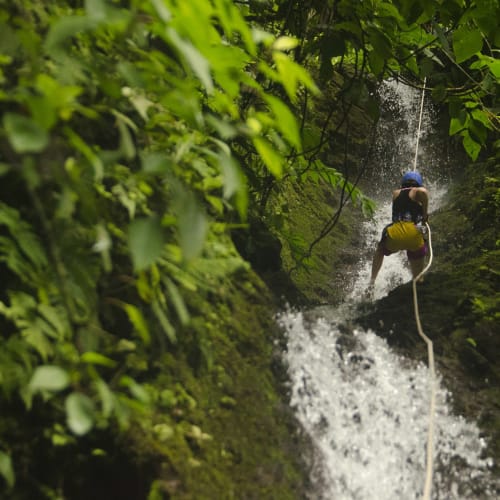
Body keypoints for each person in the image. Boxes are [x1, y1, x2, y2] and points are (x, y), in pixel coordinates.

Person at [368, 170, 429, 290]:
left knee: (380, 250)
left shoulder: (395, 193)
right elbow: (423, 192)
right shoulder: (417, 191)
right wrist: (425, 214)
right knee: (421, 239)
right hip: (413, 234)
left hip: (395, 235)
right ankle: (418, 280)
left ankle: (372, 281)